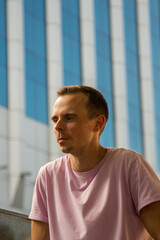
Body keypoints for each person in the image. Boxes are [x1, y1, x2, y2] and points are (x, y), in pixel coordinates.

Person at [29, 85, 160, 240]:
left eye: (69, 118)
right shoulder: (47, 175)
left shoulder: (129, 164)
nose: (58, 126)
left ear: (98, 123)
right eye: (55, 119)